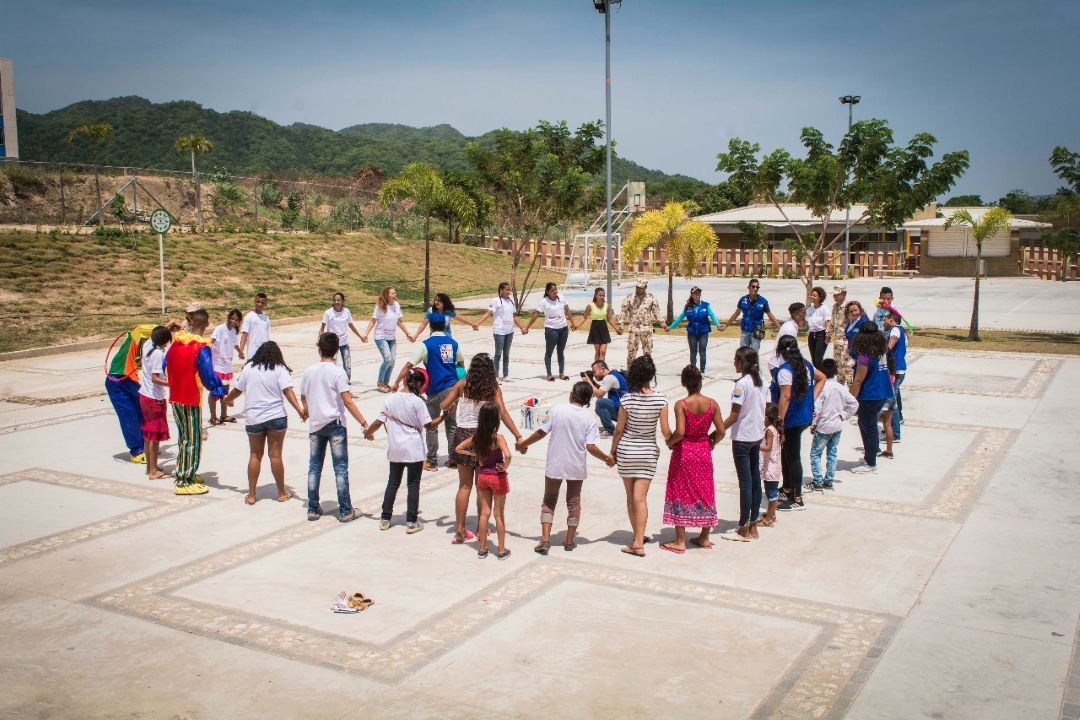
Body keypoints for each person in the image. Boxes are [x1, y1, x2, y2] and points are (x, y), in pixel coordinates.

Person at [517, 381, 615, 554]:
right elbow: (591, 447)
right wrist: (606, 458)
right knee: (574, 501)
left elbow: (541, 432)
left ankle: (545, 539)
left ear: (572, 394)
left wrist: (523, 443)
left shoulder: (557, 410)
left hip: (555, 463)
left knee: (549, 500)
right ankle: (569, 540)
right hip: (576, 466)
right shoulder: (588, 418)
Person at [440, 353, 523, 543]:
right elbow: (502, 413)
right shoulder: (493, 388)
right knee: (481, 486)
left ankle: (460, 530)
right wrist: (518, 436)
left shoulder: (462, 384)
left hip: (462, 435)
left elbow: (444, 405)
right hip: (482, 437)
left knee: (464, 485)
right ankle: (481, 528)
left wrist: (452, 407)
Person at [222, 341, 305, 506]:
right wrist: (300, 410)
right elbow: (288, 391)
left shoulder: (249, 368)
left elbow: (238, 389)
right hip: (276, 417)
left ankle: (252, 494)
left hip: (254, 418)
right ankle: (281, 492)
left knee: (255, 455)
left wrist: (227, 400)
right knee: (275, 455)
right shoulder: (279, 368)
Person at [299, 332, 369, 521]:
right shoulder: (339, 373)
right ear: (337, 351)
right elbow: (347, 402)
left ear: (319, 349)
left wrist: (306, 411)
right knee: (340, 468)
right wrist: (363, 423)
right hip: (335, 424)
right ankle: (345, 510)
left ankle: (313, 508)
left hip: (316, 425)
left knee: (314, 467)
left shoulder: (309, 371)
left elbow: (303, 395)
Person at [365, 368, 446, 533]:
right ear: (417, 383)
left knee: (393, 482)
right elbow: (428, 425)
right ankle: (411, 521)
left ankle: (385, 518)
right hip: (413, 449)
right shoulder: (417, 402)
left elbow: (379, 421)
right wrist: (444, 416)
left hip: (396, 448)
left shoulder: (391, 399)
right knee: (413, 484)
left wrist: (368, 432)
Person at [610, 355, 670, 558]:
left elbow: (619, 429)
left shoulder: (626, 399)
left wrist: (612, 450)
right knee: (641, 498)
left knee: (630, 498)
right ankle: (639, 538)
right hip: (648, 452)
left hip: (627, 450)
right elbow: (665, 430)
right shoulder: (661, 399)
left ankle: (637, 540)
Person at [660, 365, 724, 553]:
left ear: (683, 383)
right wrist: (711, 442)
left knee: (679, 491)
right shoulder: (712, 404)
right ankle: (704, 536)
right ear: (700, 382)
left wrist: (670, 442)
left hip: (684, 453)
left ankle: (680, 540)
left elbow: (680, 431)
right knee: (706, 491)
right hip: (703, 452)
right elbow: (721, 431)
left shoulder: (682, 404)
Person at [164, 310, 227, 495]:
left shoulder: (177, 342)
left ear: (190, 321)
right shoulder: (200, 347)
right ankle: (184, 480)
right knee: (193, 439)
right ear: (207, 323)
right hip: (190, 397)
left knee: (183, 437)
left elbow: (165, 366)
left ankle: (184, 469)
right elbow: (207, 372)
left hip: (175, 396)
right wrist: (218, 390)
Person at [392, 316, 464, 471]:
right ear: (444, 325)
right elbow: (461, 364)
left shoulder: (425, 345)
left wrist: (397, 382)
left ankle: (431, 461)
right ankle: (453, 459)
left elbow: (409, 365)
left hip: (436, 390)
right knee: (451, 424)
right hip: (453, 388)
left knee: (432, 425)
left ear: (430, 326)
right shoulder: (453, 343)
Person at [771, 335, 826, 511]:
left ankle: (797, 497)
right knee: (786, 453)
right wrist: (811, 400)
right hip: (803, 416)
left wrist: (779, 420)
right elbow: (822, 378)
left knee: (793, 457)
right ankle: (787, 488)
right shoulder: (806, 364)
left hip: (792, 419)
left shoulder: (786, 371)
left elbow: (785, 397)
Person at [454, 402, 513, 560]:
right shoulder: (498, 438)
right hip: (497, 477)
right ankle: (501, 550)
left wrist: (477, 456)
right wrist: (504, 465)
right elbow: (508, 455)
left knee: (484, 514)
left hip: (483, 477)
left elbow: (458, 448)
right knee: (498, 515)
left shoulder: (477, 437)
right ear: (496, 420)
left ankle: (482, 548)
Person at [719, 346, 766, 538]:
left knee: (745, 483)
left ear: (742, 362)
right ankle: (753, 523)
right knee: (755, 481)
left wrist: (716, 431)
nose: (734, 363)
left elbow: (734, 415)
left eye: (736, 359)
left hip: (743, 438)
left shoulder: (741, 385)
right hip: (756, 435)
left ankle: (743, 526)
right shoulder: (762, 381)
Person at [105, 323, 160, 464]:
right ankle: (136, 450)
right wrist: (167, 326)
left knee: (143, 411)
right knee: (128, 415)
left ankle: (147, 444)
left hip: (129, 381)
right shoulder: (135, 336)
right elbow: (141, 329)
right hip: (117, 381)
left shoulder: (145, 347)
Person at [849, 322, 896, 475]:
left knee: (869, 429)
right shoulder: (880, 352)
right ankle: (869, 456)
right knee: (867, 426)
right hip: (883, 392)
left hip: (869, 395)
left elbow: (858, 380)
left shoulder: (864, 356)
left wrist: (850, 400)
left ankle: (871, 462)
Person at [809, 358, 859, 490]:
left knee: (815, 454)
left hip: (824, 426)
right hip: (837, 425)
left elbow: (816, 408)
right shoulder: (841, 388)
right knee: (832, 453)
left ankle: (818, 481)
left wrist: (813, 424)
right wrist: (843, 415)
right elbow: (854, 404)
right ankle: (829, 480)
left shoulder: (821, 388)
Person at [362, 287, 413, 393]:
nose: (395, 295)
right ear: (387, 295)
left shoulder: (396, 305)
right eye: (392, 293)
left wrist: (407, 333)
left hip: (391, 337)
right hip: (381, 336)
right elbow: (373, 321)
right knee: (387, 359)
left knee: (392, 361)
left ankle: (386, 382)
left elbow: (399, 321)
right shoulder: (380, 306)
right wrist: (366, 334)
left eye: (395, 293)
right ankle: (380, 382)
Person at [138, 325, 172, 480]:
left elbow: (156, 334)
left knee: (148, 434)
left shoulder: (147, 346)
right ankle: (153, 472)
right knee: (155, 436)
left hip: (144, 395)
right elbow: (155, 378)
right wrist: (172, 383)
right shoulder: (158, 354)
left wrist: (170, 323)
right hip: (154, 398)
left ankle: (149, 467)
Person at [523, 282, 575, 381]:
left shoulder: (561, 297)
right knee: (549, 352)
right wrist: (527, 327)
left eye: (556, 289)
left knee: (561, 351)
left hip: (563, 328)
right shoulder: (544, 302)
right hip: (551, 330)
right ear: (547, 292)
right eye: (552, 290)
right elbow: (536, 314)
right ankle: (549, 374)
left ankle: (561, 373)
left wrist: (573, 323)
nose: (555, 292)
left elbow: (567, 310)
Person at [473, 282, 524, 382]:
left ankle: (505, 375)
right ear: (501, 290)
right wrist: (478, 323)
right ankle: (495, 376)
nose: (508, 292)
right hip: (499, 330)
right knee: (498, 353)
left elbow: (514, 316)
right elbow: (488, 313)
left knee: (506, 353)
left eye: (509, 290)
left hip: (509, 331)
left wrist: (522, 327)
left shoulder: (511, 301)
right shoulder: (496, 301)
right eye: (506, 290)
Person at [618, 278, 668, 370]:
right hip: (634, 328)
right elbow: (623, 311)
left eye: (640, 287)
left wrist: (663, 324)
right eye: (637, 287)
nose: (638, 289)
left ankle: (647, 373)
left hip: (646, 328)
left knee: (647, 353)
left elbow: (656, 312)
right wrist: (620, 325)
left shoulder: (651, 298)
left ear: (645, 287)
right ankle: (630, 372)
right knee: (631, 352)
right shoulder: (630, 297)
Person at [719, 278, 780, 352]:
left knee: (754, 354)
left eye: (757, 287)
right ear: (748, 287)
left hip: (757, 331)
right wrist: (726, 325)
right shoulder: (743, 299)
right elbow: (736, 313)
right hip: (745, 330)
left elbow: (770, 316)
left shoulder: (763, 301)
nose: (755, 289)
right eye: (753, 287)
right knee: (743, 354)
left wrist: (780, 328)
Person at [668, 286, 720, 374]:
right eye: (696, 293)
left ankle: (702, 371)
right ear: (692, 295)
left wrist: (718, 325)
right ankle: (693, 371)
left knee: (702, 351)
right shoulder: (688, 307)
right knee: (693, 352)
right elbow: (680, 317)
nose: (698, 295)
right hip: (692, 332)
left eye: (699, 293)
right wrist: (670, 327)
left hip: (703, 332)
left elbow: (712, 315)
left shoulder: (705, 305)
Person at [318, 292, 365, 383]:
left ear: (343, 301)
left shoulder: (346, 311)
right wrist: (320, 342)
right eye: (334, 300)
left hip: (344, 342)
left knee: (347, 364)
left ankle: (347, 384)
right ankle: (330, 383)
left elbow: (351, 325)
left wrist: (360, 336)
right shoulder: (328, 313)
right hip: (332, 343)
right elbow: (322, 329)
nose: (337, 302)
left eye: (339, 300)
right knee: (331, 364)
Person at [209, 309, 242, 425]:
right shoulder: (220, 329)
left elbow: (235, 343)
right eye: (232, 318)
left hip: (227, 365)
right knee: (215, 392)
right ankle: (213, 417)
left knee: (225, 392)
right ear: (228, 318)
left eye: (236, 320)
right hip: (217, 365)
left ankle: (224, 415)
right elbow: (211, 341)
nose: (233, 321)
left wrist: (240, 352)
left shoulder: (233, 332)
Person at [756, 403, 784, 529]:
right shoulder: (774, 429)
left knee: (771, 493)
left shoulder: (769, 431)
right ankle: (771, 514)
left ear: (766, 417)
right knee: (771, 491)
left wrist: (756, 446)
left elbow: (768, 447)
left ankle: (770, 518)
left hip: (771, 467)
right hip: (773, 466)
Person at [579, 287, 622, 363]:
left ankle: (601, 368)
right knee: (598, 351)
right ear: (595, 295)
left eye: (603, 295)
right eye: (600, 295)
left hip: (603, 328)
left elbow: (609, 319)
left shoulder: (606, 305)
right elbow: (584, 317)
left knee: (603, 351)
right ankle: (596, 369)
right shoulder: (590, 305)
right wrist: (577, 326)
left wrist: (617, 329)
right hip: (595, 328)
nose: (602, 297)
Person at [883, 311, 908, 442]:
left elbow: (893, 339)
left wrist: (884, 351)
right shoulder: (902, 330)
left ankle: (895, 433)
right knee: (892, 399)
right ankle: (890, 427)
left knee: (891, 402)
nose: (884, 321)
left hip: (895, 370)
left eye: (886, 319)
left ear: (891, 319)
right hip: (898, 369)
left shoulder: (895, 330)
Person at [585, 360, 627, 438]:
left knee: (600, 403)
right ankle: (623, 425)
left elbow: (599, 394)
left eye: (594, 372)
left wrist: (589, 383)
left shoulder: (609, 378)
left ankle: (611, 431)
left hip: (623, 411)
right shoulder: (614, 374)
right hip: (626, 410)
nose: (594, 375)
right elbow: (601, 389)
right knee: (599, 409)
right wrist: (592, 382)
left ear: (602, 369)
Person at [768, 302, 805, 373]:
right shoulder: (790, 329)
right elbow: (787, 350)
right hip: (779, 365)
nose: (805, 315)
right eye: (803, 313)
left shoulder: (792, 325)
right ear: (796, 315)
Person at [829, 285, 852, 385]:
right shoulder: (835, 307)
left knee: (848, 367)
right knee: (838, 369)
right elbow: (832, 323)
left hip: (846, 342)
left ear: (843, 294)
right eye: (834, 295)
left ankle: (852, 394)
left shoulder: (849, 307)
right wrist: (828, 335)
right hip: (837, 342)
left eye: (837, 295)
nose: (835, 297)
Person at [238, 293, 270, 361]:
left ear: (265, 304)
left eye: (262, 303)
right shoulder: (249, 317)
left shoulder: (266, 318)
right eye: (258, 302)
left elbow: (266, 336)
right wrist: (241, 351)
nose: (260, 304)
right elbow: (244, 336)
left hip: (264, 352)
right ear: (254, 301)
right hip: (253, 352)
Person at [806, 287, 830, 369]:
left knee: (818, 359)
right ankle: (817, 377)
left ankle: (824, 376)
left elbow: (827, 322)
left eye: (815, 296)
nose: (812, 297)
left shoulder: (824, 309)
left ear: (820, 297)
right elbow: (804, 321)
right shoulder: (809, 309)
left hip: (821, 335)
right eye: (811, 295)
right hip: (812, 334)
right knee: (814, 360)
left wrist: (827, 335)